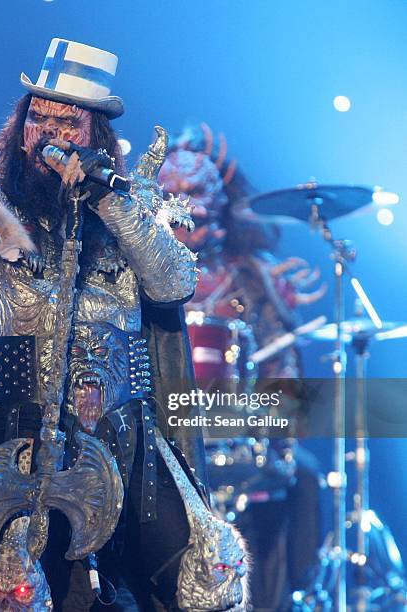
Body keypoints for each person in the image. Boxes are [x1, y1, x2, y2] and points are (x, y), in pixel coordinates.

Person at [0, 41, 248, 611]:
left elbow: (173, 284)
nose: (48, 133)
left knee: (196, 582)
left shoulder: (132, 210)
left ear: (96, 136)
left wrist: (110, 199)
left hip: (120, 441)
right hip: (2, 438)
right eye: (37, 117)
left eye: (66, 121)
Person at [159, 123, 324, 610]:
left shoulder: (252, 278)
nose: (188, 205)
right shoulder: (131, 272)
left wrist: (274, 428)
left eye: (197, 193)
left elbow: (285, 371)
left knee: (306, 479)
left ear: (220, 200)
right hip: (158, 434)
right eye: (174, 193)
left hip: (236, 434)